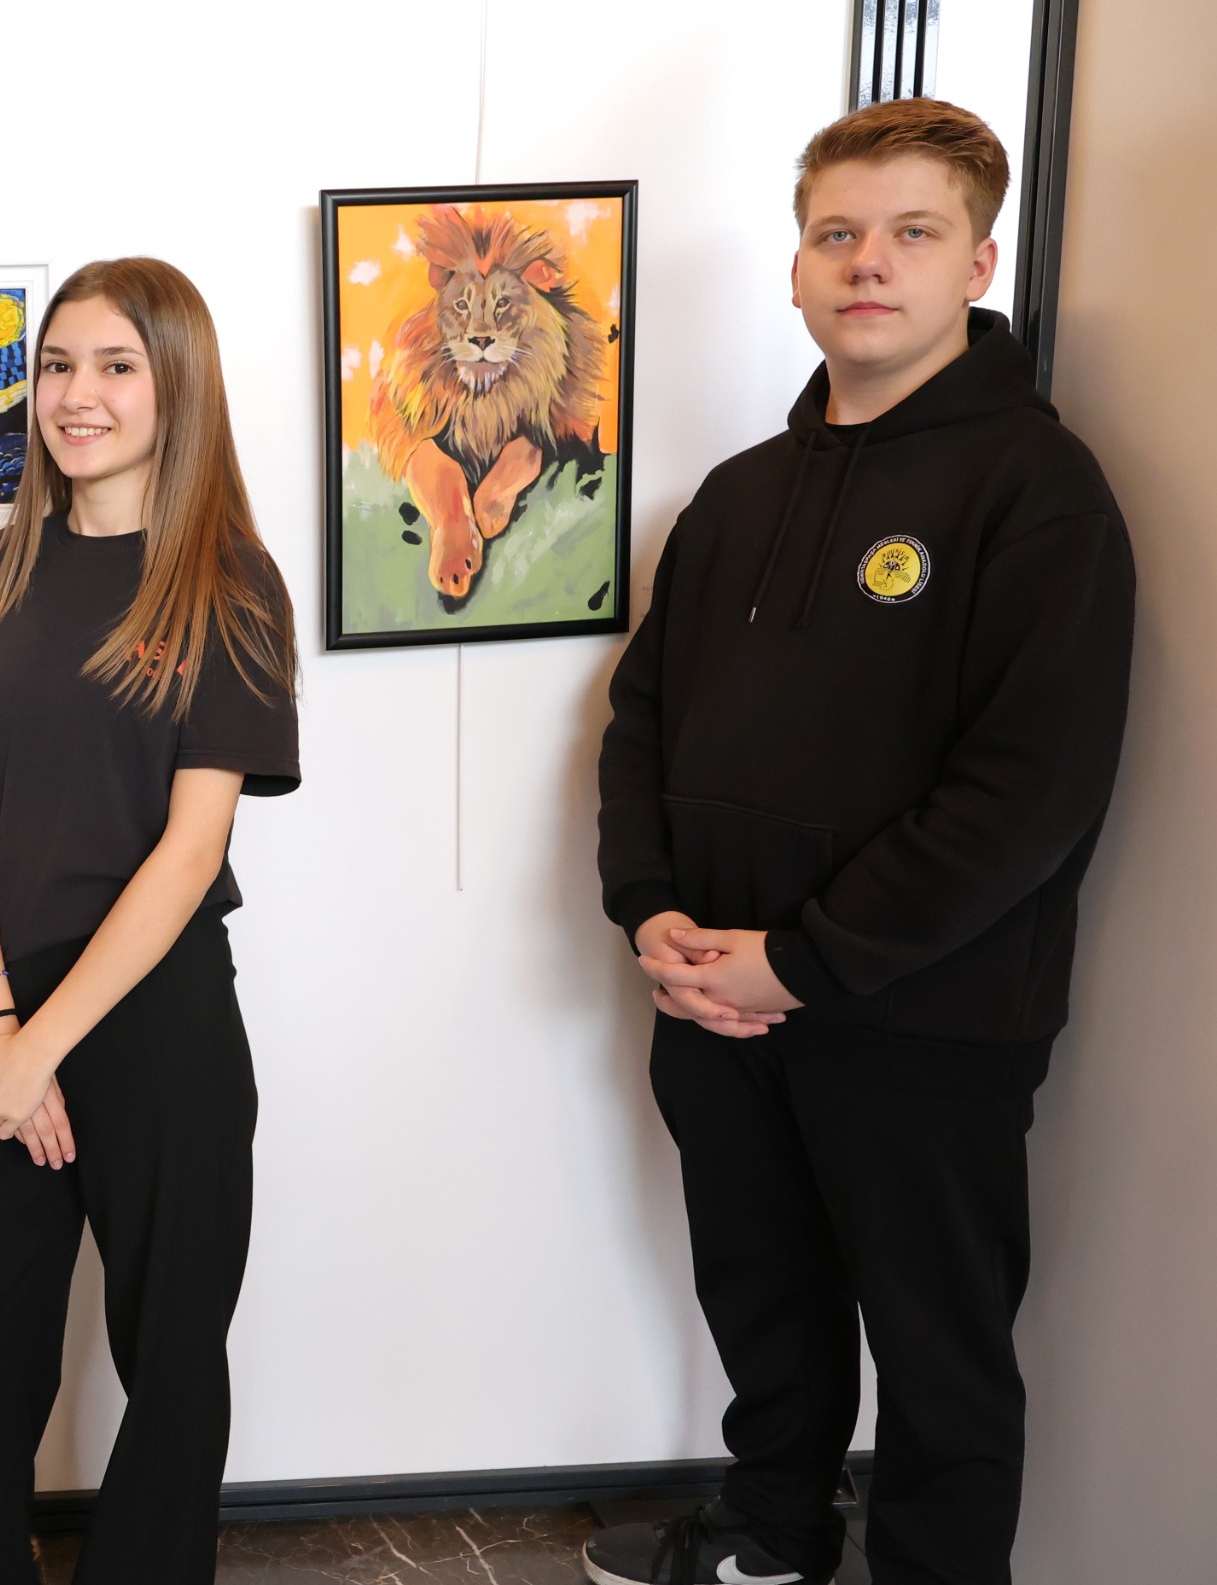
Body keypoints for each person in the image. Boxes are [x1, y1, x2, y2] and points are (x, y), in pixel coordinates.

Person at [586, 99, 1133, 1585]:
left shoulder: (1038, 493)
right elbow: (641, 723)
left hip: (924, 1017)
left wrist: (807, 961)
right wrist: (649, 910)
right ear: (796, 268)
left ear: (979, 264)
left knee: (938, 1350)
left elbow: (1027, 792)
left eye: (911, 232)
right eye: (836, 232)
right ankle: (770, 1536)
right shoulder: (736, 497)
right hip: (715, 999)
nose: (867, 262)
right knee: (763, 1298)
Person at [0, 258, 300, 1583]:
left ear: (175, 384)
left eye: (115, 365)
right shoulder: (6, 566)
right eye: (57, 365)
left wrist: (45, 1044)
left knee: (173, 1357)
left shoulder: (229, 582)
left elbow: (192, 850)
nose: (77, 394)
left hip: (152, 1010)